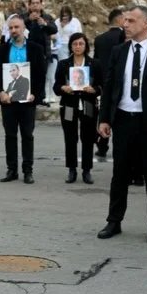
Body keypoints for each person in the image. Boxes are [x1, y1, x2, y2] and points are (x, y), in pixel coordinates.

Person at [97, 5, 147, 244]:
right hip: (123, 119)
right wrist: (104, 119)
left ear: (146, 23)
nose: (125, 24)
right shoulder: (119, 51)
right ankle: (114, 221)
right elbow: (109, 86)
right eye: (125, 20)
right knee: (119, 174)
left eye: (131, 20)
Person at [0, 15, 46, 184]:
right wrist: (0, 92)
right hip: (8, 101)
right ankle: (12, 170)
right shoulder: (2, 50)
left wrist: (35, 94)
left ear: (23, 29)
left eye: (17, 27)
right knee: (10, 135)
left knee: (27, 135)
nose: (14, 30)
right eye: (11, 28)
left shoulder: (35, 49)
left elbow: (41, 75)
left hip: (27, 101)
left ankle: (28, 171)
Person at [53, 33, 102, 184]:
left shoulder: (95, 64)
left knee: (88, 137)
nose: (78, 46)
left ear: (86, 45)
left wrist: (94, 90)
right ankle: (71, 169)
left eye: (81, 43)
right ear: (70, 46)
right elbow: (56, 87)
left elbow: (102, 86)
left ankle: (87, 170)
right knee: (70, 137)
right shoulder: (63, 64)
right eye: (75, 44)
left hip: (88, 105)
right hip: (69, 105)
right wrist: (63, 88)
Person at [93, 8, 126, 161]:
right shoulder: (123, 37)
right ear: (119, 20)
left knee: (104, 113)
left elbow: (96, 62)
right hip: (121, 82)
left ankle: (102, 145)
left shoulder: (99, 39)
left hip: (104, 82)